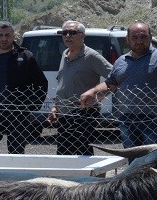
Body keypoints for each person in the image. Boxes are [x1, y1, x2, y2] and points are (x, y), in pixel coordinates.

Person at [80, 21, 157, 148]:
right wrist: (93, 93)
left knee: (151, 158)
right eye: (134, 38)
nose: (139, 41)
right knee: (132, 159)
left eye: (143, 37)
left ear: (150, 38)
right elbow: (110, 84)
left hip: (152, 120)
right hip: (126, 120)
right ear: (127, 40)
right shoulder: (121, 61)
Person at [0, 20, 48, 154]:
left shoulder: (25, 57)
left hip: (17, 115)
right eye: (0, 35)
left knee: (16, 153)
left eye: (7, 35)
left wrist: (31, 106)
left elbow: (41, 84)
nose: (4, 38)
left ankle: (14, 175)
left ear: (13, 36)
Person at [47, 20, 112, 156]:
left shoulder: (91, 56)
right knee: (64, 152)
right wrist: (55, 106)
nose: (67, 36)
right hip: (64, 113)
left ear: (83, 36)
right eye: (64, 33)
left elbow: (114, 76)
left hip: (83, 112)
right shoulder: (65, 54)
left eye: (72, 33)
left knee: (81, 152)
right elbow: (62, 84)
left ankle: (89, 176)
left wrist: (96, 94)